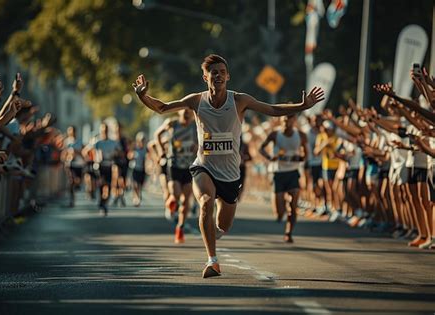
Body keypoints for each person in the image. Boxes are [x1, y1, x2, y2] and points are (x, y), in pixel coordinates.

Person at [133, 54, 324, 278]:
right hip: (203, 166)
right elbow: (163, 107)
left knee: (223, 226)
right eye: (214, 72)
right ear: (205, 77)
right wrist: (143, 96)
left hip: (231, 174)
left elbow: (271, 109)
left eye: (222, 72)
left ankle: (213, 233)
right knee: (205, 202)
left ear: (228, 76)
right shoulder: (196, 100)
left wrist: (302, 106)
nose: (218, 76)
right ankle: (212, 261)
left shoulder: (239, 100)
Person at [259, 114, 308, 243]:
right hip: (278, 173)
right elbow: (261, 148)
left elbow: (306, 155)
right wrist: (270, 158)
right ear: (281, 121)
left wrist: (300, 157)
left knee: (293, 207)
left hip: (293, 173)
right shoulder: (275, 135)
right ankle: (282, 209)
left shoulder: (301, 135)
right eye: (285, 120)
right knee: (280, 213)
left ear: (294, 121)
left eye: (290, 120)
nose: (287, 123)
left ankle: (289, 233)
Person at [155, 109, 197, 243]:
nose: (186, 115)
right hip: (174, 164)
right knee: (176, 195)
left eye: (189, 113)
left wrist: (198, 148)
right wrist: (161, 150)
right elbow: (157, 134)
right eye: (184, 112)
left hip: (189, 166)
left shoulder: (196, 126)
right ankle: (171, 203)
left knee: (186, 201)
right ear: (179, 113)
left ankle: (180, 227)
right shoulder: (172, 124)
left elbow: (205, 139)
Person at [63, 126, 84, 207]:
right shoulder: (67, 142)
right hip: (70, 164)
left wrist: (76, 152)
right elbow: (64, 153)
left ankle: (77, 185)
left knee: (77, 181)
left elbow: (83, 152)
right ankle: (72, 199)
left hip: (79, 164)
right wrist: (66, 157)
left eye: (72, 131)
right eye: (69, 131)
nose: (71, 133)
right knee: (71, 181)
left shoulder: (79, 141)